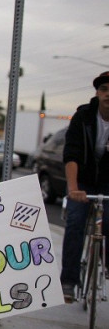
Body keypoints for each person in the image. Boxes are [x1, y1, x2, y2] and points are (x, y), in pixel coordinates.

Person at [60, 71, 109, 302]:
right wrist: (72, 189)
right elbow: (71, 154)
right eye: (104, 89)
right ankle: (69, 281)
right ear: (97, 93)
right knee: (75, 222)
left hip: (107, 182)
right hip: (83, 179)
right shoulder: (84, 117)